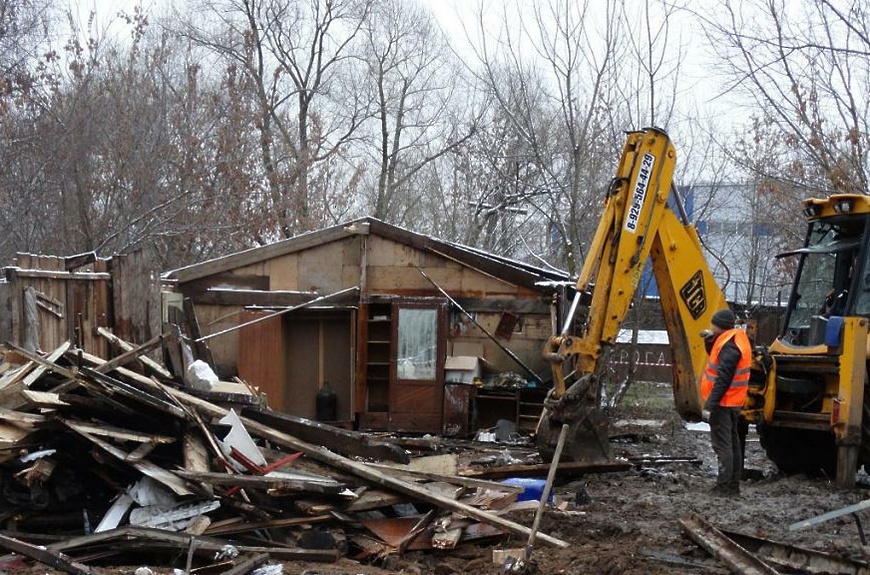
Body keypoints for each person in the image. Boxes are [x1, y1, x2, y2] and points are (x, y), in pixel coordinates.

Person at [700, 308, 751, 497]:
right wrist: (710, 339)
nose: (711, 326)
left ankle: (724, 487)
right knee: (733, 444)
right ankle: (732, 485)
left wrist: (709, 406)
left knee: (723, 446)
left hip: (723, 402)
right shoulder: (735, 338)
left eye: (714, 324)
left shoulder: (729, 346)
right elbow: (717, 356)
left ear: (720, 326)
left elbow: (723, 378)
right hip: (733, 401)